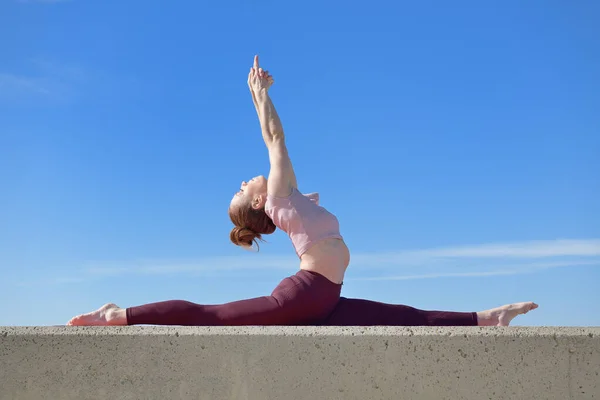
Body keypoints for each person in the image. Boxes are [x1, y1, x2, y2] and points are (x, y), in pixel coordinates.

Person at [67, 56, 538, 327]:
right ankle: (119, 314)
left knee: (401, 314)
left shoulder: (287, 199)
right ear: (257, 201)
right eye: (242, 186)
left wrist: (255, 96)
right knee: (214, 315)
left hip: (327, 295)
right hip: (304, 294)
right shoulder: (279, 196)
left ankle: (486, 318)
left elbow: (273, 143)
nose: (245, 178)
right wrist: (262, 94)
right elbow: (275, 141)